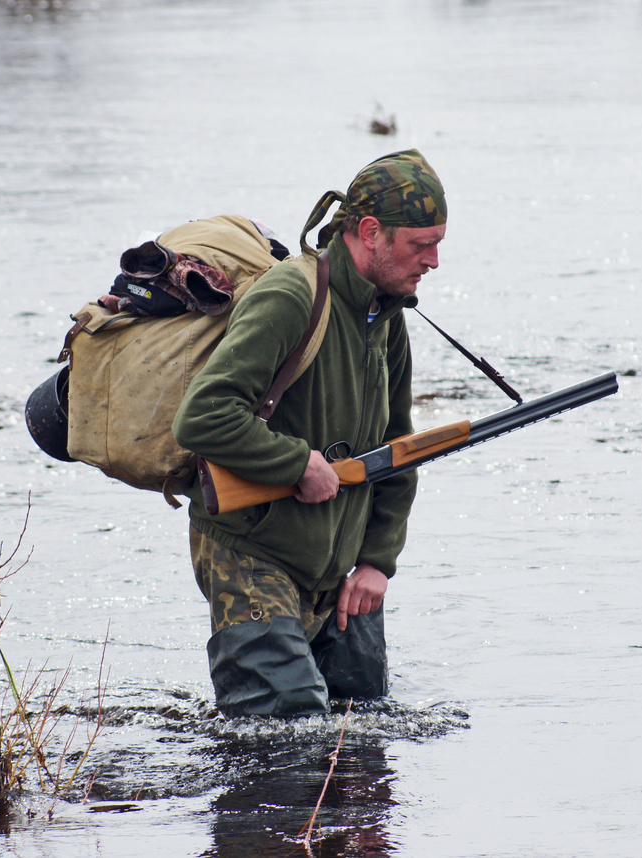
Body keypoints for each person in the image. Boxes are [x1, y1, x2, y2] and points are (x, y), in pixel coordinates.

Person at [172, 149, 447, 717]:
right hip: (249, 555)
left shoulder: (387, 319)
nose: (435, 261)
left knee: (363, 718)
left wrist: (376, 562)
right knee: (285, 732)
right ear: (369, 232)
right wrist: (297, 464)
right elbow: (202, 415)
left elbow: (397, 452)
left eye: (438, 243)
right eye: (421, 245)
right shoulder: (291, 297)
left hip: (336, 569)